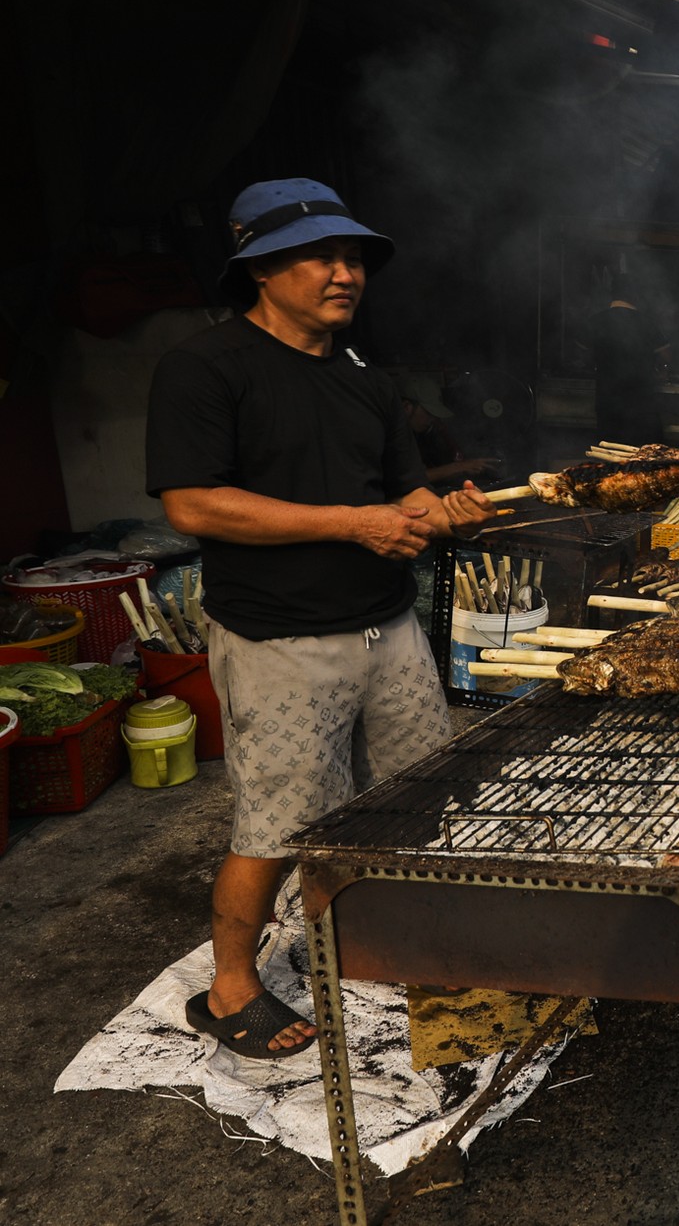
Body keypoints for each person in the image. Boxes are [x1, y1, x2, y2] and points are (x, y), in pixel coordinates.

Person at [146, 177, 497, 1058]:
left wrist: (437, 512)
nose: (346, 274)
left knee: (413, 799)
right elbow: (192, 506)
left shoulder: (365, 382)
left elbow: (401, 492)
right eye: (323, 257)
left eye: (355, 260)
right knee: (280, 820)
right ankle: (229, 986)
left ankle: (386, 939)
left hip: (389, 627)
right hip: (280, 637)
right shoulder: (205, 367)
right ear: (261, 267)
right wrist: (352, 523)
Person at [590, 274, 672, 447]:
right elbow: (666, 355)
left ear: (612, 293)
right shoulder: (647, 323)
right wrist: (661, 369)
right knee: (641, 455)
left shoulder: (596, 321)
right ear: (635, 294)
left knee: (608, 454)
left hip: (607, 401)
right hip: (640, 403)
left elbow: (580, 353)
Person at [400, 373, 499, 486]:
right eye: (428, 413)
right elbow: (409, 478)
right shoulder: (392, 438)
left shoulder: (419, 434)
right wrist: (460, 466)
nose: (432, 419)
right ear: (406, 407)